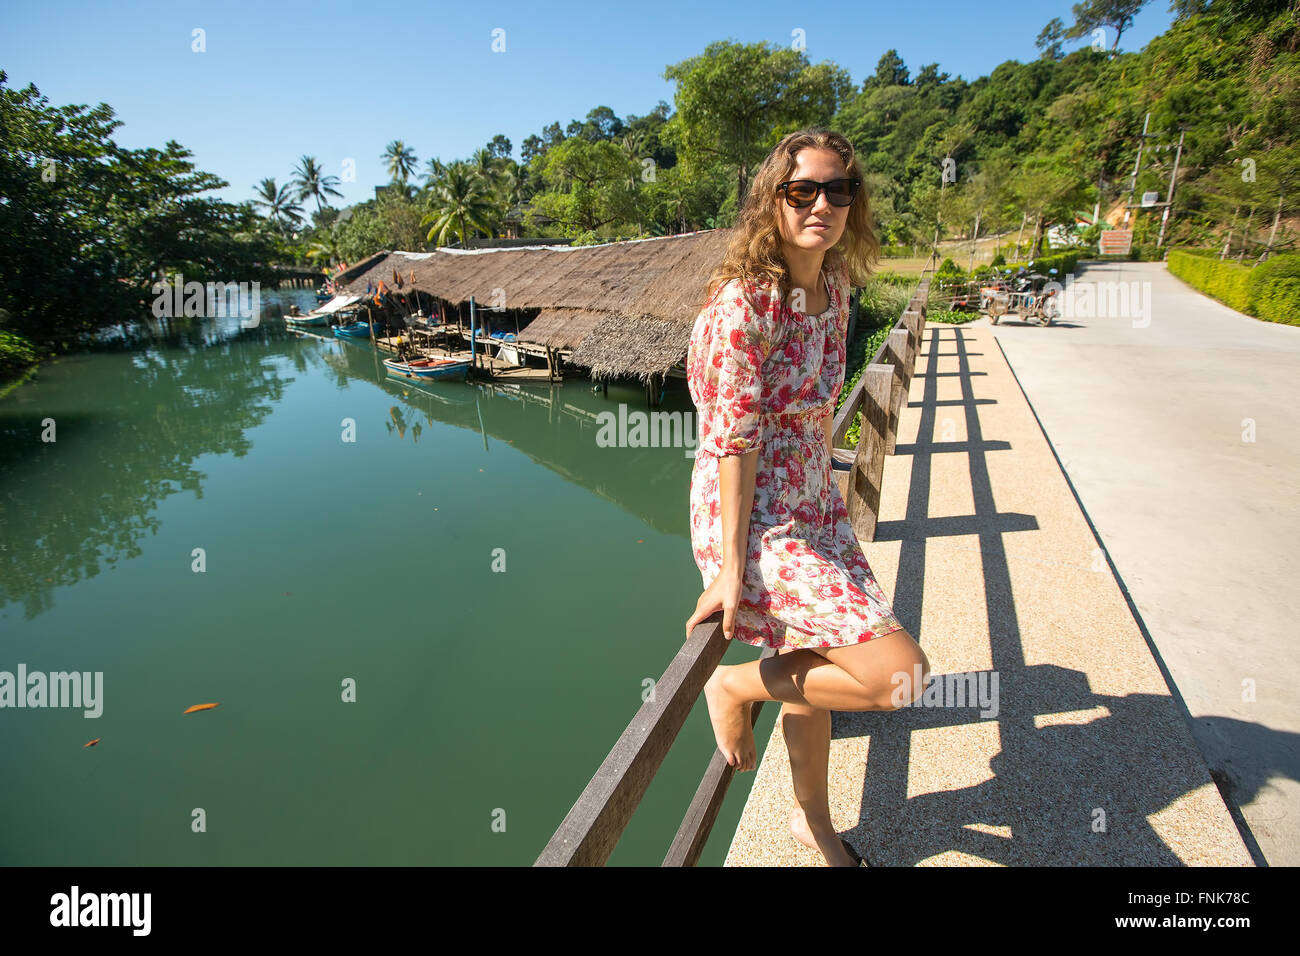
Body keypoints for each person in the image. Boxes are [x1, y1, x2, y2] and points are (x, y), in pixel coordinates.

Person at [683, 127, 932, 868]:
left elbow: (818, 412)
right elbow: (734, 442)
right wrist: (730, 567)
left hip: (812, 501)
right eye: (803, 190)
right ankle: (733, 685)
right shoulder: (744, 308)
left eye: (839, 189)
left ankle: (813, 824)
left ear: (855, 202)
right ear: (774, 202)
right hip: (753, 514)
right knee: (902, 679)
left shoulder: (839, 289)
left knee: (815, 682)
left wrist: (822, 503)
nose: (823, 203)